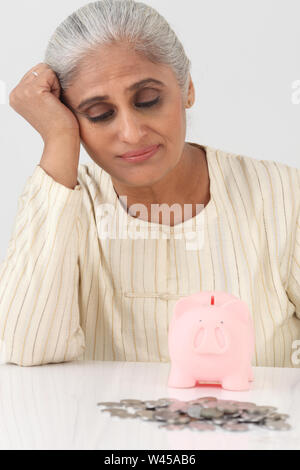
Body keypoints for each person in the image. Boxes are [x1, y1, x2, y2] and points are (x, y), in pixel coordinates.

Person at [0, 0, 299, 368]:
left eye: (148, 100)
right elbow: (26, 350)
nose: (131, 132)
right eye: (99, 114)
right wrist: (60, 139)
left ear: (187, 87)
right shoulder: (69, 206)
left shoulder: (284, 194)